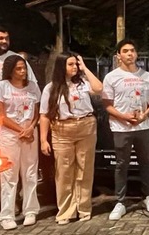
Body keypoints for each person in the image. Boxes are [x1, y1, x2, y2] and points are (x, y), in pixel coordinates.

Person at [39, 52, 103, 225]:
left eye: (76, 64)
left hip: (85, 125)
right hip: (62, 129)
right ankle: (66, 211)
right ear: (62, 66)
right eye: (71, 64)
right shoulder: (51, 88)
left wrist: (85, 68)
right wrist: (43, 140)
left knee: (85, 168)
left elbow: (99, 88)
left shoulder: (82, 83)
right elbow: (44, 115)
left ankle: (84, 208)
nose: (74, 67)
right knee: (64, 171)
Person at [102, 39, 149, 219]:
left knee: (145, 162)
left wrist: (144, 115)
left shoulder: (146, 76)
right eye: (125, 51)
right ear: (118, 55)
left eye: (132, 50)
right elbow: (107, 104)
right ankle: (120, 201)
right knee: (121, 164)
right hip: (121, 128)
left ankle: (147, 196)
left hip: (143, 126)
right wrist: (124, 117)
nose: (129, 54)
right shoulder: (111, 77)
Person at [0, 55, 42, 230]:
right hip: (10, 135)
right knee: (9, 174)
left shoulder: (32, 86)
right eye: (18, 69)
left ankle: (30, 210)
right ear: (10, 70)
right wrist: (20, 130)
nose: (22, 72)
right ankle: (7, 214)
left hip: (30, 134)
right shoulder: (1, 87)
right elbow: (0, 115)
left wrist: (31, 128)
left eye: (24, 68)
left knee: (30, 172)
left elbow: (37, 112)